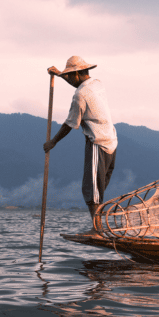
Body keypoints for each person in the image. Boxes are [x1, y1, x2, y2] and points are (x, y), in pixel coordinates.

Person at [43, 56, 118, 230]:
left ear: (76, 74)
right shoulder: (97, 84)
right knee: (98, 188)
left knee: (91, 189)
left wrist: (52, 142)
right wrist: (61, 74)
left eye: (70, 76)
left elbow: (70, 124)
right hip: (112, 141)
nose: (68, 79)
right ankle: (98, 225)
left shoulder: (80, 95)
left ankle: (97, 229)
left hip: (97, 142)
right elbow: (77, 81)